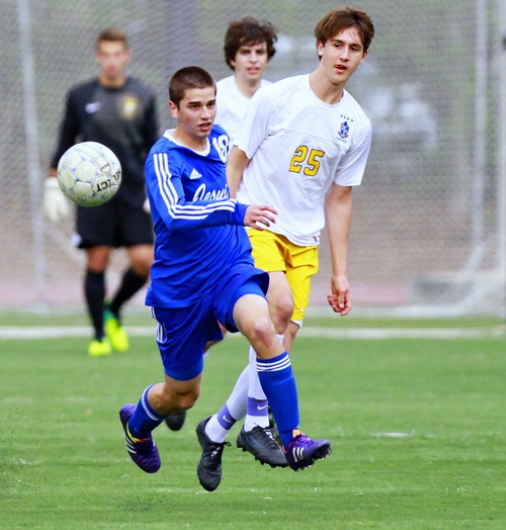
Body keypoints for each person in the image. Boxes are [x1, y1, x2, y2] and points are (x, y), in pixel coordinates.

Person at [118, 66, 330, 491]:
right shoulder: (164, 157)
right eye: (194, 106)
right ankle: (137, 426)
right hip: (180, 292)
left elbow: (261, 169)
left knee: (264, 327)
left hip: (230, 270)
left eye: (211, 103)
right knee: (181, 394)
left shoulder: (224, 143)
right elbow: (176, 216)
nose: (205, 113)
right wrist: (236, 211)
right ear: (174, 108)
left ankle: (290, 437)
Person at [199, 6, 374, 476]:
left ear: (362, 58)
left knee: (278, 347)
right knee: (275, 308)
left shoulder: (356, 125)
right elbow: (235, 164)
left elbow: (339, 200)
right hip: (257, 222)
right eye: (336, 44)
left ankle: (216, 430)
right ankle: (259, 426)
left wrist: (340, 272)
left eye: (353, 48)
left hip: (303, 239)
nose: (343, 54)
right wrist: (224, 227)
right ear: (320, 46)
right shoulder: (278, 98)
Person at [192, 17, 289, 469]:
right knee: (256, 326)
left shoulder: (279, 100)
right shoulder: (216, 100)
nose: (253, 59)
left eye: (260, 52)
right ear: (232, 57)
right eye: (245, 52)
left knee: (271, 328)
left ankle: (226, 424)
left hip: (266, 220)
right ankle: (197, 385)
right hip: (225, 221)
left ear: (268, 57)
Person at [44, 27, 159, 359]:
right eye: (105, 54)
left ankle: (114, 308)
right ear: (98, 56)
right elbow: (66, 141)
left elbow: (153, 145)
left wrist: (157, 186)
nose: (111, 61)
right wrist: (53, 182)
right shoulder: (80, 95)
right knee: (98, 260)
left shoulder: (143, 95)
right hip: (93, 194)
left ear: (126, 56)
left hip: (134, 190)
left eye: (117, 54)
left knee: (145, 262)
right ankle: (98, 335)